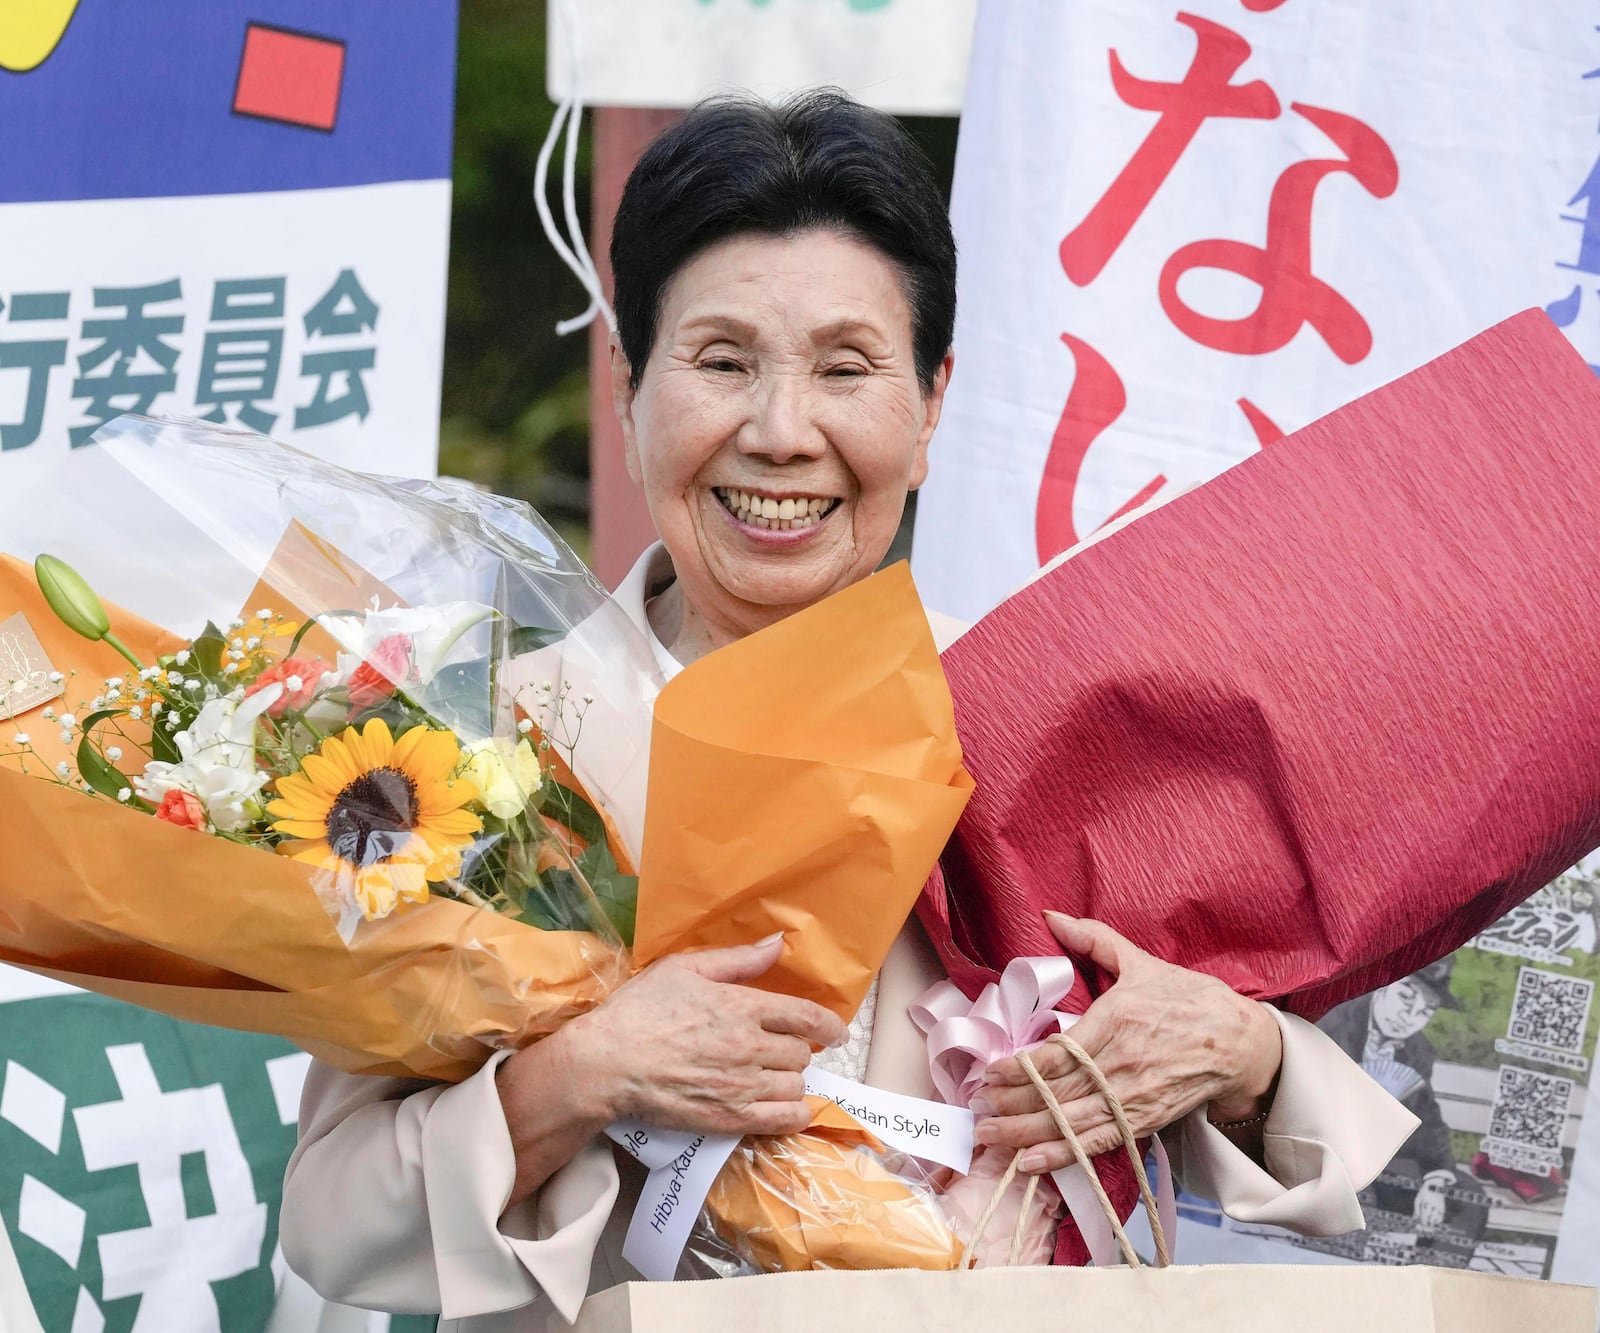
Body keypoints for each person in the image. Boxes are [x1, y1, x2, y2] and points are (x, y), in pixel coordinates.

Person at [281, 91, 1418, 1329]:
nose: (780, 433)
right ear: (626, 384)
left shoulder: (1028, 715)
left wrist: (1235, 1055)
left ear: (930, 407)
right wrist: (578, 1075)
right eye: (721, 362)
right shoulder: (469, 760)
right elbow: (335, 1218)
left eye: (846, 369)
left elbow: (1322, 1150)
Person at [1318, 960, 1462, 1230]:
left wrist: (1435, 1181)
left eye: (1424, 1011)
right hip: (1315, 1152)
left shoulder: (1418, 1051)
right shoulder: (1332, 1021)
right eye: (1406, 997)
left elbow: (1426, 1115)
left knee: (1461, 1200)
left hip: (1379, 1164)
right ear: (1382, 985)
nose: (1410, 1017)